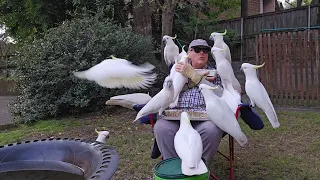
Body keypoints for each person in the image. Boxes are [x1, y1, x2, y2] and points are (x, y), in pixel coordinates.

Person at [154, 39, 224, 165]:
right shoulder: (176, 70)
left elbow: (221, 94)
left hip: (204, 118)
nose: (201, 53)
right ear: (189, 53)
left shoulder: (215, 73)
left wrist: (195, 77)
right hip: (175, 117)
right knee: (161, 128)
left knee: (211, 131)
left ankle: (199, 168)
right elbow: (166, 93)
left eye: (205, 50)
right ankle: (174, 168)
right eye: (197, 50)